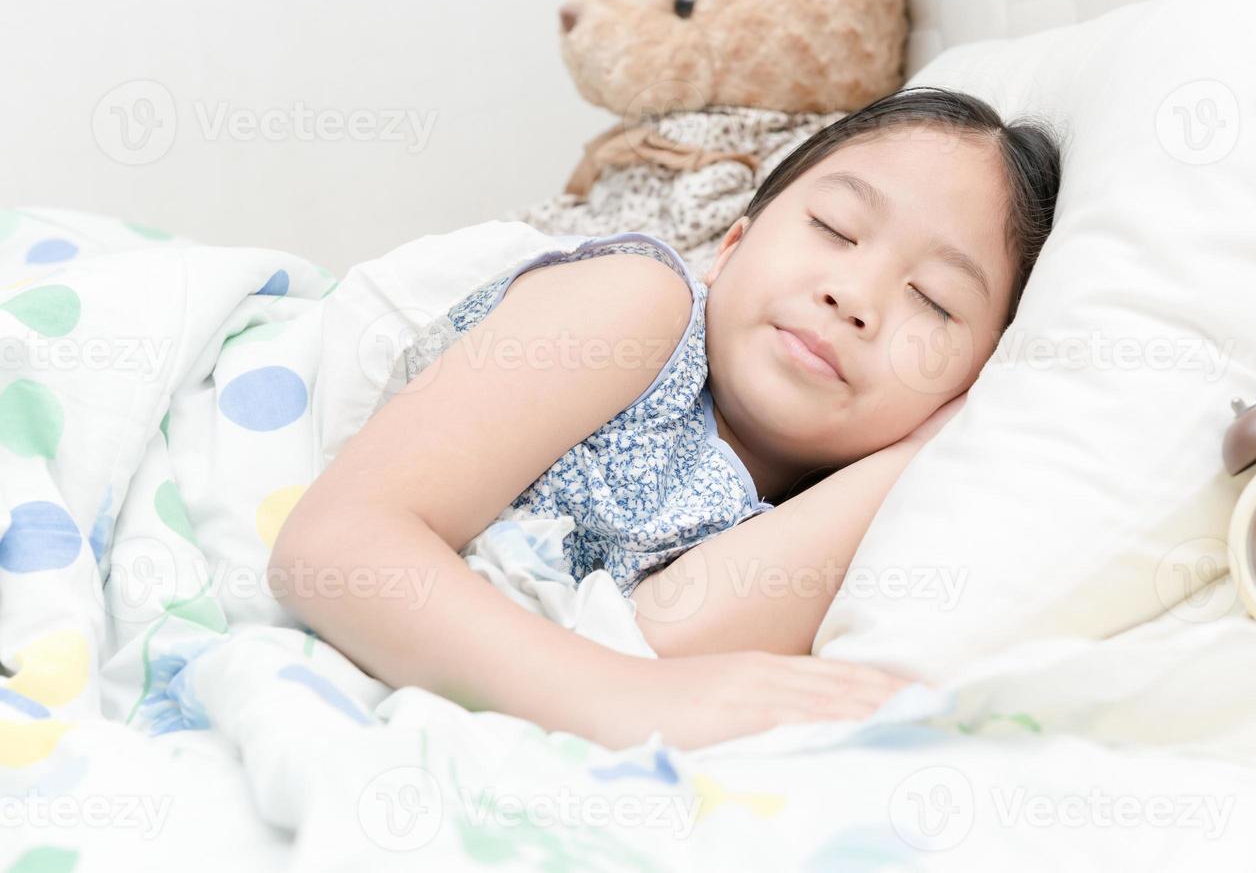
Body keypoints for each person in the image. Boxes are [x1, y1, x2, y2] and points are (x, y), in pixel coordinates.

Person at [269, 85, 1062, 750]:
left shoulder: (810, 524)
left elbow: (649, 644)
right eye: (835, 229)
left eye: (934, 302)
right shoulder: (641, 304)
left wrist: (917, 455)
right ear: (733, 245)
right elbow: (333, 547)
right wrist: (629, 697)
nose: (853, 297)